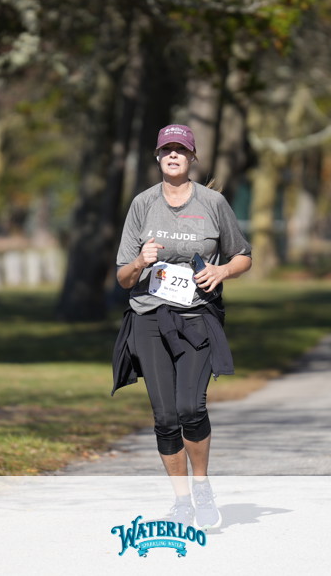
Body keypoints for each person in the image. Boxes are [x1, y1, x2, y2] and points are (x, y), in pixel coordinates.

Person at [112, 123, 252, 530]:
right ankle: (181, 501)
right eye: (167, 149)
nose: (173, 155)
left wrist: (222, 271)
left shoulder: (213, 203)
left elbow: (243, 255)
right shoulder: (142, 204)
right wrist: (140, 261)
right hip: (149, 318)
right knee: (165, 417)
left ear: (192, 158)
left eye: (181, 150)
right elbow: (123, 277)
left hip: (196, 317)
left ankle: (202, 488)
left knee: (191, 408)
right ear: (158, 157)